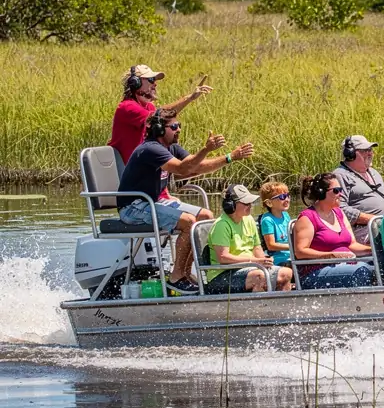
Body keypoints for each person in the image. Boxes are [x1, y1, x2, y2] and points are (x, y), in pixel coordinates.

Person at [117, 109, 255, 292]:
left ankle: (185, 273)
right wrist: (206, 149)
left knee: (206, 216)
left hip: (152, 202)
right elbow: (183, 169)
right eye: (174, 126)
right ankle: (176, 277)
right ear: (159, 129)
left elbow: (196, 167)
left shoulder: (171, 148)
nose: (179, 129)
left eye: (179, 125)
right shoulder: (150, 149)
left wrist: (230, 157)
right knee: (188, 221)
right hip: (133, 207)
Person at [109, 64, 213, 168]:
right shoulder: (127, 107)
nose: (155, 84)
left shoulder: (149, 106)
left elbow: (162, 118)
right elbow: (161, 116)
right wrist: (189, 98)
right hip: (124, 171)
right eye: (151, 79)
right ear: (136, 82)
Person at [206, 185, 293, 294]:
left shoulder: (249, 219)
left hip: (250, 268)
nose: (250, 206)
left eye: (250, 203)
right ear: (231, 205)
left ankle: (282, 303)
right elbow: (223, 257)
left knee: (286, 273)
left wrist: (264, 261)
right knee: (260, 276)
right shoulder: (221, 225)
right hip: (222, 275)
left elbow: (257, 247)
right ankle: (259, 305)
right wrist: (255, 261)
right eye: (246, 203)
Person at [292, 173, 375, 289]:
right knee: (361, 270)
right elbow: (300, 252)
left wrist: (374, 250)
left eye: (341, 190)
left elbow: (352, 245)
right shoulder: (307, 218)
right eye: (336, 190)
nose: (341, 194)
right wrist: (330, 255)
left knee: (379, 265)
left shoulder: (339, 213)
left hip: (347, 266)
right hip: (316, 272)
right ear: (321, 193)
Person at [333, 135, 384, 245]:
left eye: (370, 150)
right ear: (350, 154)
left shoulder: (374, 173)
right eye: (365, 150)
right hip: (364, 231)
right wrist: (373, 219)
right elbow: (339, 209)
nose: (370, 153)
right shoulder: (340, 176)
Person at [258, 181, 292, 268]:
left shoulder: (286, 215)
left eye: (287, 195)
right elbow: (271, 245)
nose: (287, 199)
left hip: (291, 255)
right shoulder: (267, 220)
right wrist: (292, 247)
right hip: (278, 259)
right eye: (282, 197)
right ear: (269, 203)